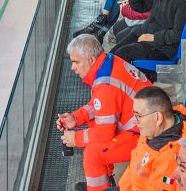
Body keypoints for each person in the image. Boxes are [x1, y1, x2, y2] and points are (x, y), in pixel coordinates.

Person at [57, 34, 151, 191]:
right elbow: (101, 105)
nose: (72, 67)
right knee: (94, 125)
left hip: (146, 134)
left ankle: (99, 187)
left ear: (91, 60)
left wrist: (76, 138)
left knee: (92, 154)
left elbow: (105, 133)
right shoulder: (108, 61)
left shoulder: (105, 85)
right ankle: (105, 180)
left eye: (76, 62)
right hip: (145, 123)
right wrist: (76, 118)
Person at [118, 85, 186, 191]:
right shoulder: (152, 130)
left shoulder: (174, 163)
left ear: (158, 117)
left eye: (138, 115)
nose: (134, 121)